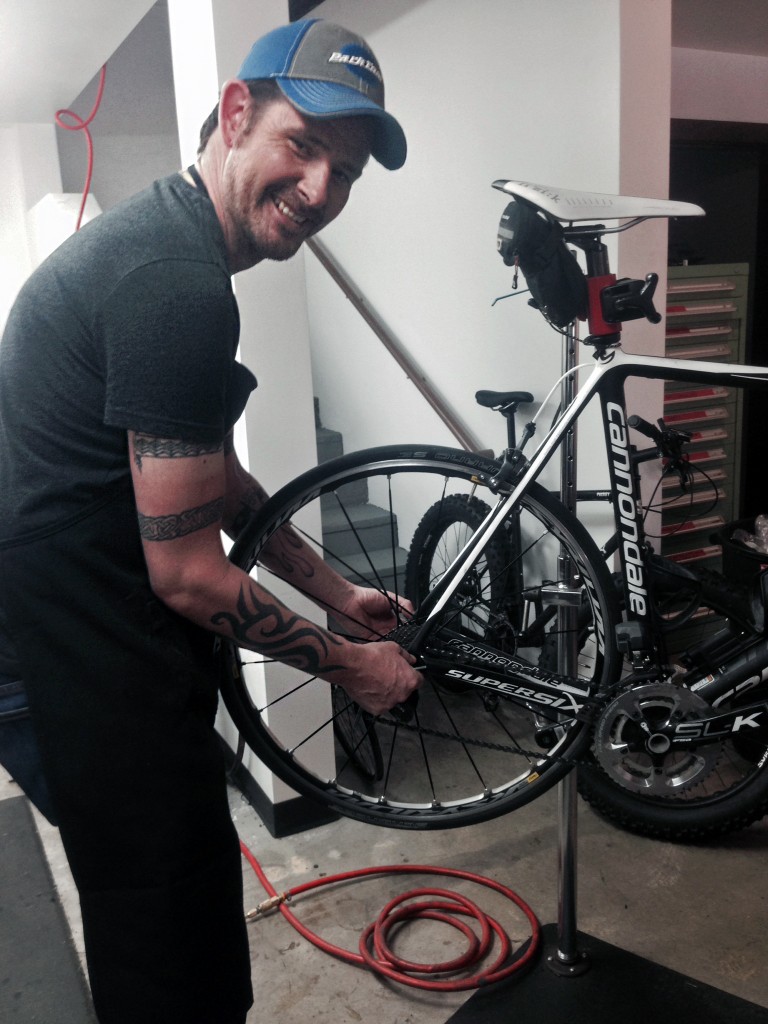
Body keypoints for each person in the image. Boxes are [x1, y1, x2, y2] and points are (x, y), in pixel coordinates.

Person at [0, 18, 419, 1024]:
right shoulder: (176, 289)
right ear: (236, 114)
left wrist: (333, 588)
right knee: (173, 967)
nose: (322, 191)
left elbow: (212, 476)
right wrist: (351, 664)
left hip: (68, 646)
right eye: (302, 145)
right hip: (82, 668)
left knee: (169, 921)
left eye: (347, 171)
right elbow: (186, 574)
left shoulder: (164, 241)